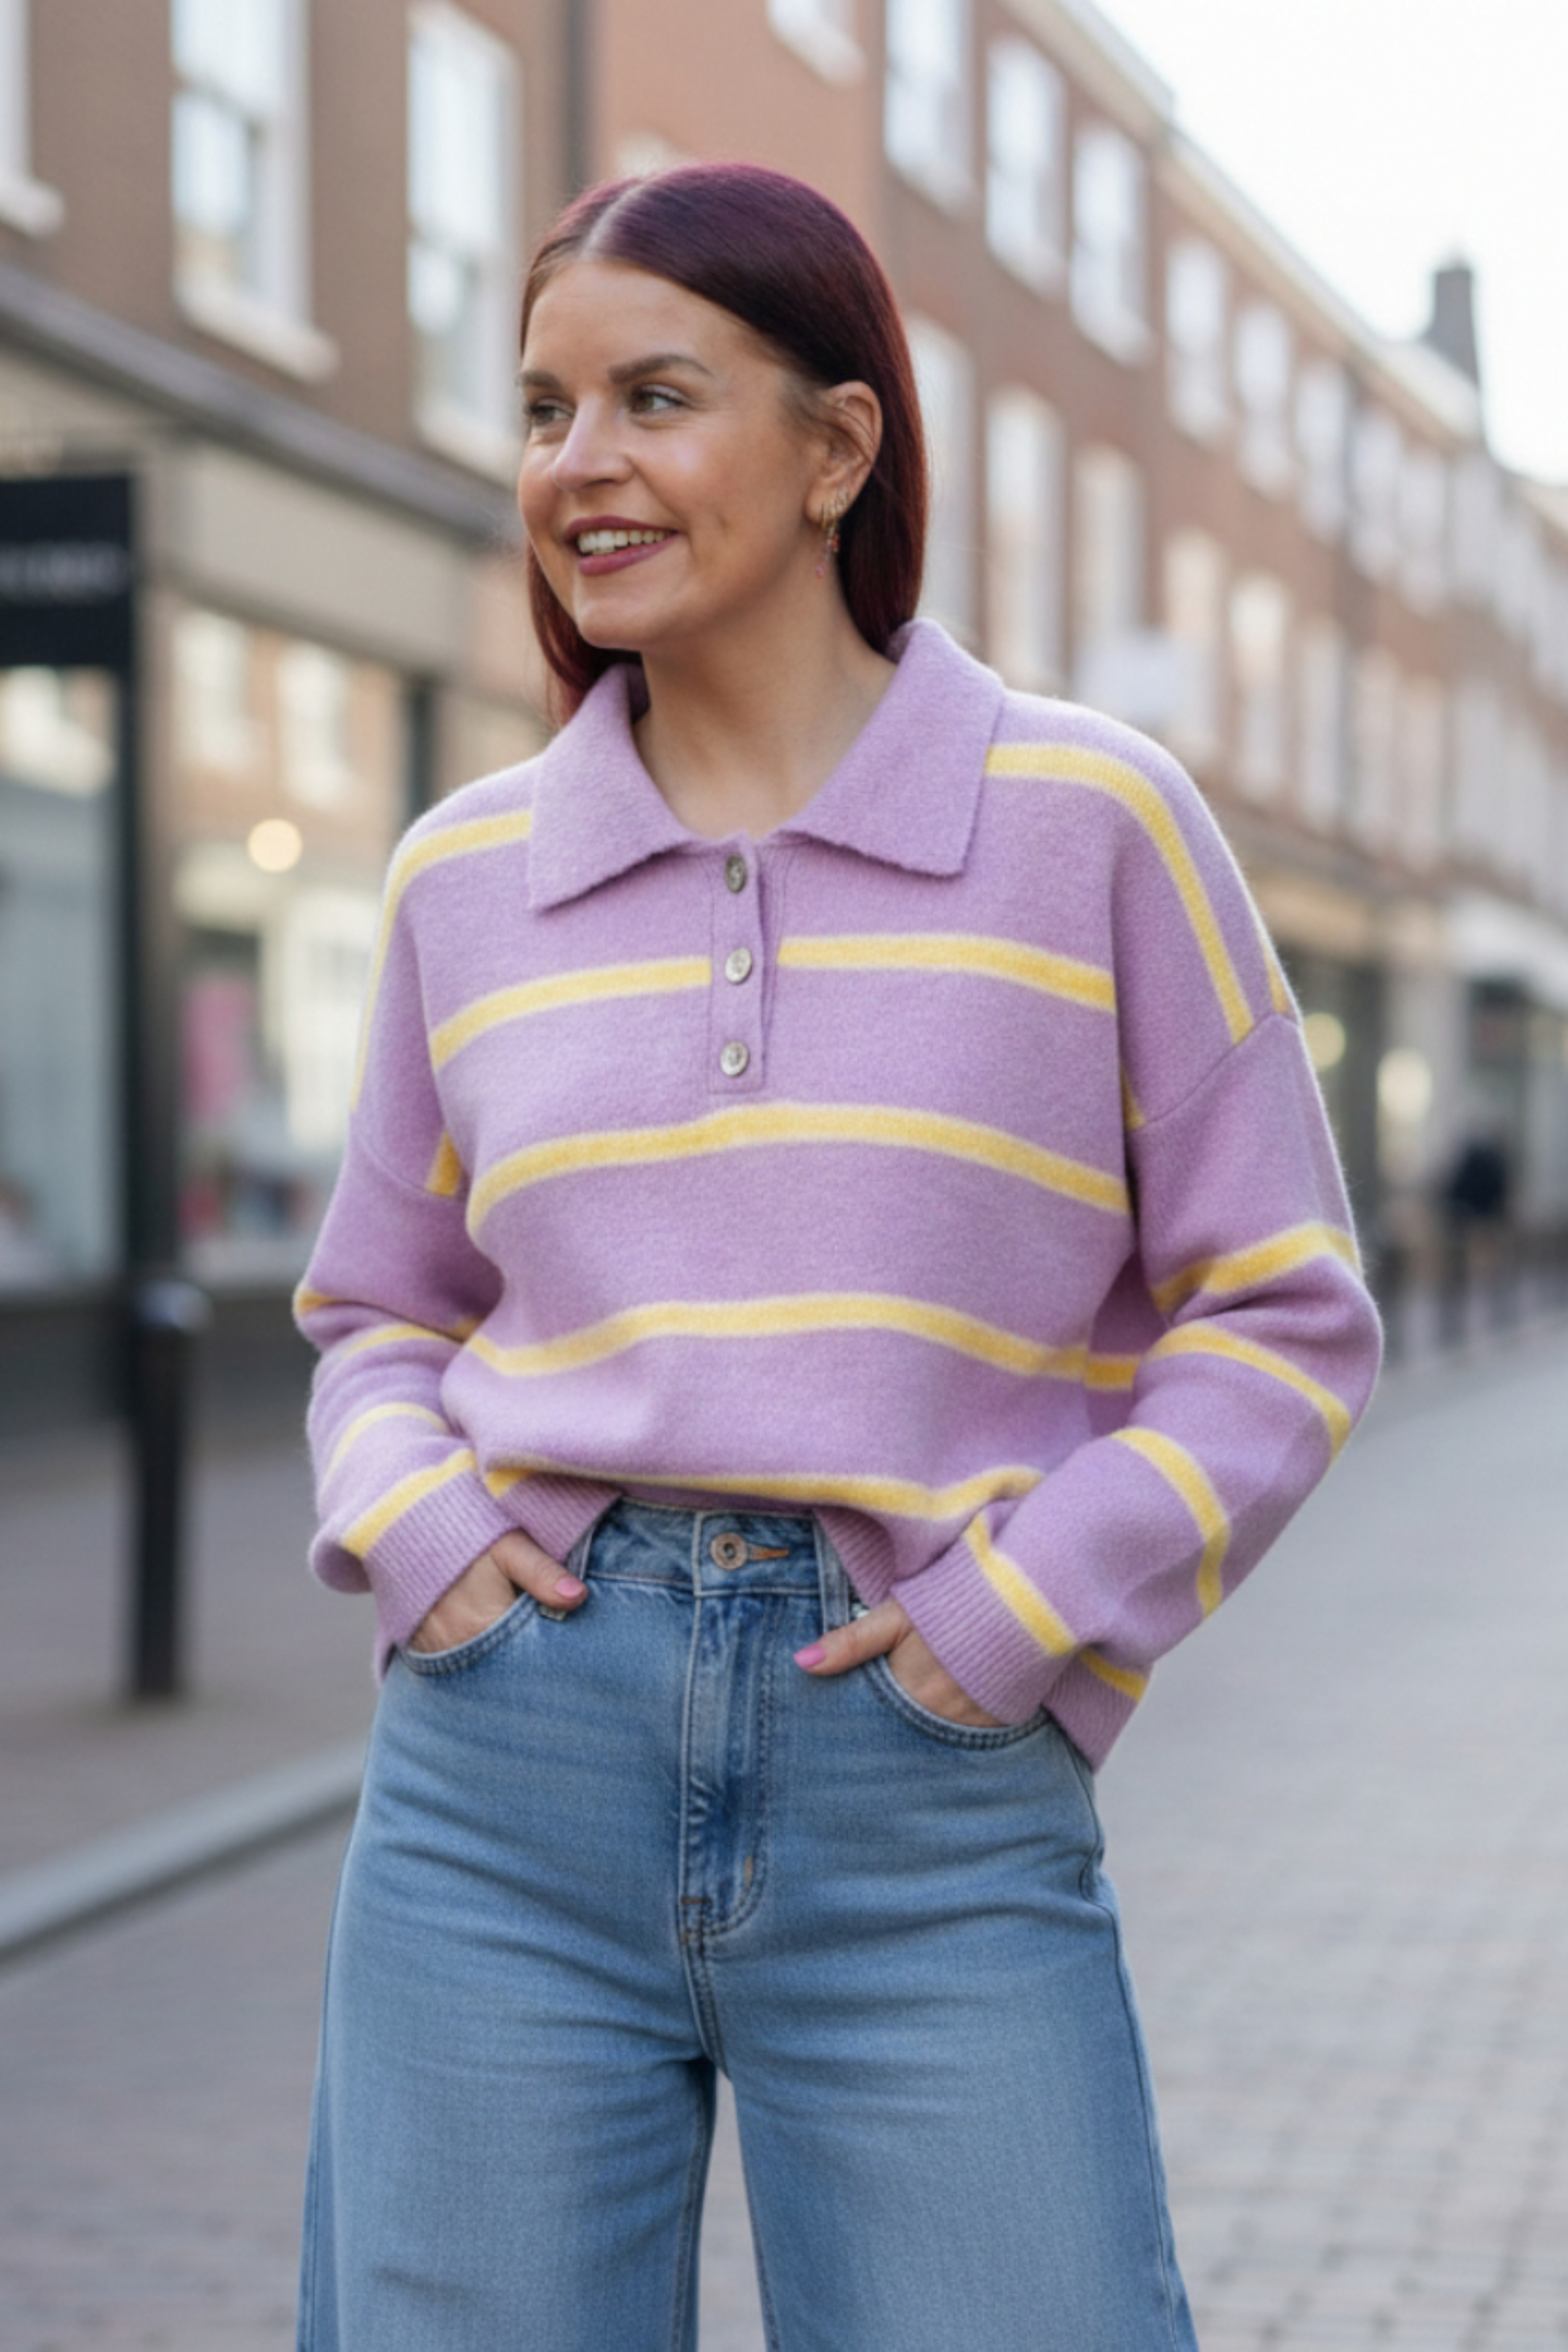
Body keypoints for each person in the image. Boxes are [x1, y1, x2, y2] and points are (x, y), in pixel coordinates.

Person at [294, 162, 1383, 2350]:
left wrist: (1022, 1613)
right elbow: (377, 1311)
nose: (577, 464)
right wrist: (419, 1532)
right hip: (505, 1785)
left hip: (927, 1791)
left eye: (653, 398)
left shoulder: (1094, 823)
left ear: (838, 447)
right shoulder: (459, 878)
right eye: (544, 410)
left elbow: (1284, 1312)